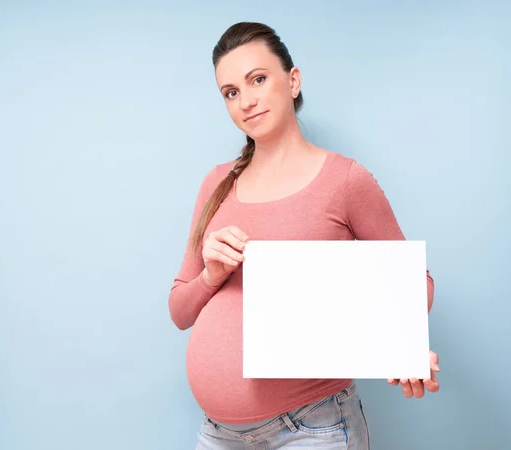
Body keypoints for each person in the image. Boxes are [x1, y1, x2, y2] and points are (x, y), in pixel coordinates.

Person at [168, 21, 440, 450]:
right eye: (231, 92)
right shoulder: (216, 183)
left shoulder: (345, 180)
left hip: (313, 428)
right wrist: (211, 275)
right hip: (217, 434)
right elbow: (180, 311)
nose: (246, 100)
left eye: (258, 79)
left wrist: (398, 343)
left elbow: (414, 282)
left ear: (292, 81)